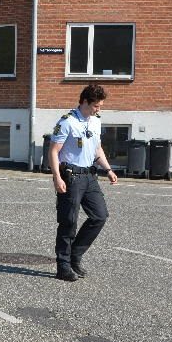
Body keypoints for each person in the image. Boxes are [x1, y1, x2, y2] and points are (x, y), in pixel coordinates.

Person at [49, 84, 118, 282]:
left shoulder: (95, 121)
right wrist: (57, 177)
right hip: (70, 176)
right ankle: (63, 266)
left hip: (89, 176)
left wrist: (108, 169)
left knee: (99, 216)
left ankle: (75, 255)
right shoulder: (67, 122)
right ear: (85, 102)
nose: (99, 109)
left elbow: (97, 149)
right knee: (68, 221)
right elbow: (53, 151)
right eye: (96, 106)